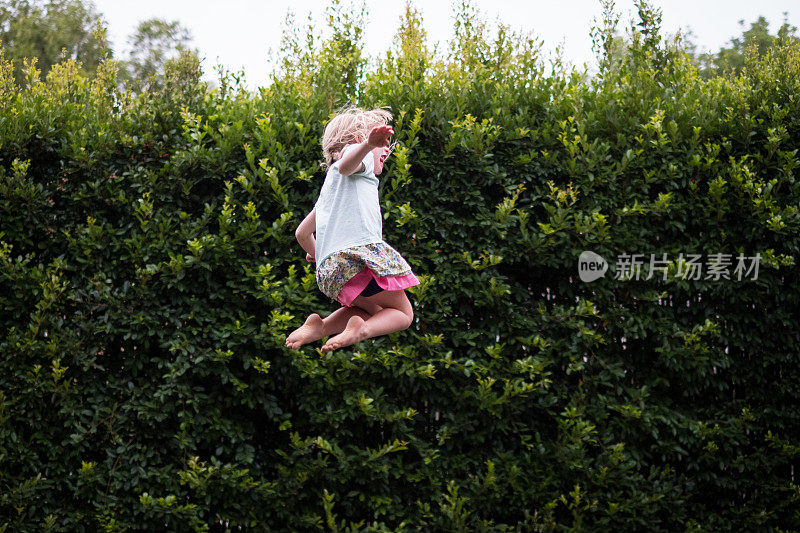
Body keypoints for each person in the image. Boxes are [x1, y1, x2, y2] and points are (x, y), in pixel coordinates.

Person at [285, 106, 420, 353]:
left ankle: (321, 326)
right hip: (354, 262)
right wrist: (369, 146)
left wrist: (320, 253)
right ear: (359, 139)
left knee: (375, 311)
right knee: (402, 313)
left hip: (330, 273)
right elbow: (349, 164)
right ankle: (360, 330)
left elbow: (301, 234)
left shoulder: (330, 191)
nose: (387, 147)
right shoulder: (358, 158)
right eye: (383, 140)